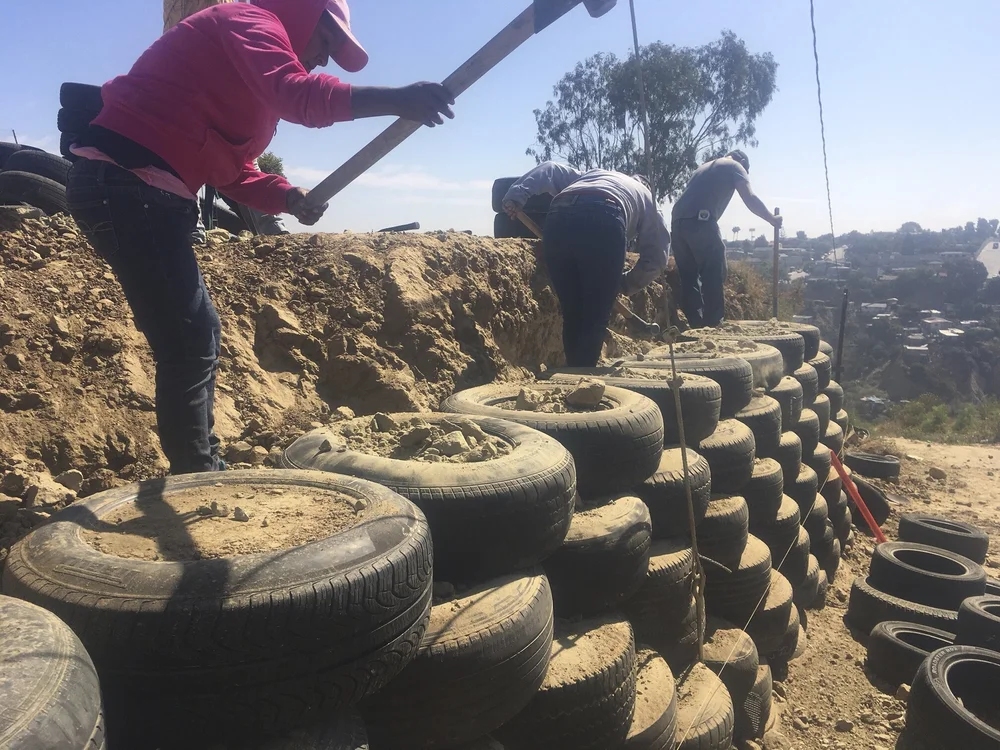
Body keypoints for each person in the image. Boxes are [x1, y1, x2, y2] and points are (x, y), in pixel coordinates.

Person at [65, 0, 455, 474]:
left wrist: (289, 197)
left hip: (140, 190)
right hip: (128, 183)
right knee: (190, 338)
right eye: (326, 41)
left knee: (191, 333)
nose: (325, 59)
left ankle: (199, 465)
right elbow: (300, 97)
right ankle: (199, 472)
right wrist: (398, 99)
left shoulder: (248, 83)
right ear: (300, 14)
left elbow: (232, 174)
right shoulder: (247, 21)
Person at [503, 162, 669, 367]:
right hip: (604, 216)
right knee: (595, 314)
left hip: (557, 218)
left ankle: (574, 373)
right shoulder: (646, 196)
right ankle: (584, 379)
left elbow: (550, 168)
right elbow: (657, 257)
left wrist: (517, 194)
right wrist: (626, 283)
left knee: (572, 312)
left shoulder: (592, 174)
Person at [670, 150, 782, 328]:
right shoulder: (735, 166)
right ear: (743, 163)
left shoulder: (703, 167)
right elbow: (750, 198)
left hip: (677, 224)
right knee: (714, 271)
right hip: (701, 221)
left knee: (689, 277)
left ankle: (695, 328)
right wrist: (771, 219)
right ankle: (714, 324)